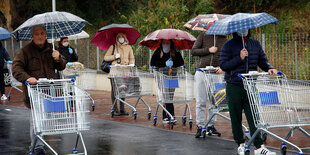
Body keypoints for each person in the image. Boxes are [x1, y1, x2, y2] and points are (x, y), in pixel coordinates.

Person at [220, 29, 277, 155]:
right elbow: (223, 65)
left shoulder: (254, 44)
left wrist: (270, 67)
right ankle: (240, 143)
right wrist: (239, 58)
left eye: (245, 28)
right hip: (234, 86)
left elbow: (262, 60)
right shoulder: (228, 45)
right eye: (240, 29)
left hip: (251, 85)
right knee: (236, 117)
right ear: (236, 29)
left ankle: (259, 146)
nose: (243, 31)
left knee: (254, 116)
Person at [12, 25, 67, 155]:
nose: (40, 36)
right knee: (36, 122)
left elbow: (61, 66)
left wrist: (58, 58)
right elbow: (16, 69)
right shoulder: (25, 51)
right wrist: (27, 78)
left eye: (42, 33)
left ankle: (39, 145)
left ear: (46, 35)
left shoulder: (51, 49)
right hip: (33, 93)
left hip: (49, 93)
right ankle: (37, 148)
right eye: (37, 34)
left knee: (45, 121)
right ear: (32, 36)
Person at [191, 33, 227, 138]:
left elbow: (227, 56)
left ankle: (210, 126)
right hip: (202, 72)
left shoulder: (224, 39)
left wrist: (223, 67)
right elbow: (194, 51)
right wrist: (208, 50)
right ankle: (200, 126)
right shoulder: (202, 36)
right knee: (201, 101)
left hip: (216, 74)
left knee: (215, 102)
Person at [150, 39, 184, 123]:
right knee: (166, 96)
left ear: (171, 43)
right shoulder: (159, 51)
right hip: (162, 77)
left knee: (170, 96)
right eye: (164, 42)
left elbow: (181, 62)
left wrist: (173, 63)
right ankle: (167, 115)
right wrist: (164, 64)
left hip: (172, 76)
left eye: (168, 42)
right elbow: (152, 62)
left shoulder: (175, 51)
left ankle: (171, 115)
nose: (166, 44)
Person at [104, 32, 135, 116]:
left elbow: (132, 58)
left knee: (123, 89)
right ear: (116, 38)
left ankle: (122, 109)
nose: (120, 38)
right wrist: (114, 56)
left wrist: (131, 64)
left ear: (125, 38)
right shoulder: (113, 47)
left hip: (125, 71)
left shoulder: (129, 47)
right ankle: (115, 109)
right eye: (119, 37)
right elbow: (106, 57)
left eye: (122, 37)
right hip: (114, 71)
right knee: (114, 90)